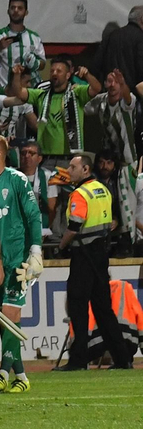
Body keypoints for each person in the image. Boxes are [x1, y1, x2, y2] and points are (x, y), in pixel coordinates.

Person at [57, 151, 135, 370]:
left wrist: (61, 246)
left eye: (73, 167)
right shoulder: (103, 189)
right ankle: (123, 359)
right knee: (103, 309)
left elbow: (74, 226)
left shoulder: (80, 193)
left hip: (83, 253)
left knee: (78, 306)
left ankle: (78, 360)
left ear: (85, 169)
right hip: (101, 253)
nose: (69, 170)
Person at [0, 135, 42, 393]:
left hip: (17, 260)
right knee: (3, 319)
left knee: (10, 315)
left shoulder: (16, 180)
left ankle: (3, 373)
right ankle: (21, 376)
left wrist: (35, 250)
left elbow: (33, 215)